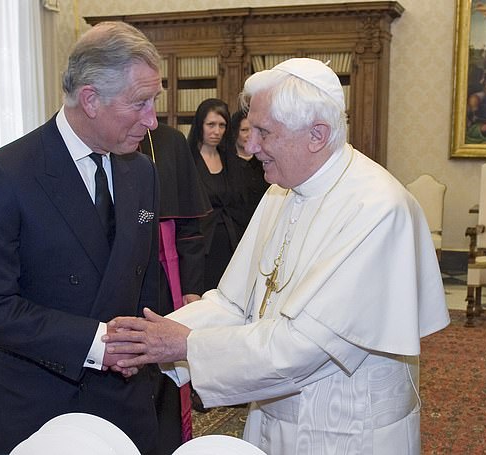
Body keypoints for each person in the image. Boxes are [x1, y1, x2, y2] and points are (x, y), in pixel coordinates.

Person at [104, 58, 451, 454]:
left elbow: (304, 346)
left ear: (316, 135)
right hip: (274, 413)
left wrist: (183, 346)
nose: (250, 148)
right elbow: (235, 301)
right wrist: (150, 337)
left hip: (344, 427)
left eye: (264, 133)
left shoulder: (378, 209)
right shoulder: (283, 187)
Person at [0, 21, 163, 455]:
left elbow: (144, 279)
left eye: (154, 102)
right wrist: (95, 345)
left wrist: (151, 342)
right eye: (140, 103)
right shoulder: (5, 175)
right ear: (90, 99)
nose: (153, 120)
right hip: (37, 409)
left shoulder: (141, 171)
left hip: (125, 408)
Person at [138, 122, 211, 453]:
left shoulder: (170, 141)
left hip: (166, 273)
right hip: (115, 276)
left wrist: (192, 287)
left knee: (164, 367)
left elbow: (190, 227)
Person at [187, 98, 247, 291]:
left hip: (230, 243)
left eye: (222, 125)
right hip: (200, 247)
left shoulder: (231, 161)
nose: (217, 131)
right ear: (199, 125)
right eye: (211, 124)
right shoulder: (188, 160)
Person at [230, 109, 269, 224]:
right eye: (244, 130)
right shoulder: (227, 164)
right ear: (235, 132)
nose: (249, 135)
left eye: (253, 130)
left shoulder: (265, 162)